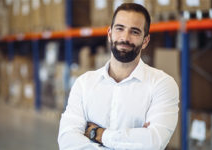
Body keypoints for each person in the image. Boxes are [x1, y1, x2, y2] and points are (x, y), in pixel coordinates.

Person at [58, 3, 179, 150]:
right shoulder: (84, 84)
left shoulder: (162, 85)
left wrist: (98, 134)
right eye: (120, 29)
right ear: (110, 34)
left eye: (134, 32)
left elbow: (153, 141)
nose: (125, 38)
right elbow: (67, 140)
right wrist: (134, 139)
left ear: (145, 41)